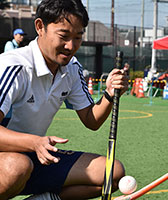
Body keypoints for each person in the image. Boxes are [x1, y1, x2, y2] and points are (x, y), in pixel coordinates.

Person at [0, 0, 128, 200]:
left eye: (78, 37)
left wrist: (110, 93)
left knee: (112, 173)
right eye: (64, 36)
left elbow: (91, 120)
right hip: (12, 159)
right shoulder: (13, 67)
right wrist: (34, 142)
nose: (71, 46)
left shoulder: (71, 68)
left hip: (35, 155)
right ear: (40, 27)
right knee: (17, 166)